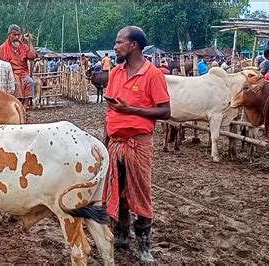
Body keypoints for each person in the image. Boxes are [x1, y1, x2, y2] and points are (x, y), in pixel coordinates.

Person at [102, 26, 171, 263]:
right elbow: (109, 110)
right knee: (117, 191)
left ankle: (144, 245)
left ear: (133, 45)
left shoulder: (153, 74)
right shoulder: (115, 73)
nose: (115, 46)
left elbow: (165, 111)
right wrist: (106, 140)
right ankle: (121, 234)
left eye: (119, 42)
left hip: (138, 144)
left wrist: (131, 110)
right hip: (116, 142)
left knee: (141, 194)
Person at [0, 24, 37, 110]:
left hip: (23, 73)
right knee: (17, 84)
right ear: (9, 35)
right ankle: (17, 105)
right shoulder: (2, 48)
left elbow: (32, 56)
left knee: (30, 82)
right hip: (11, 73)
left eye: (18, 35)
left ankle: (24, 106)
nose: (16, 37)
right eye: (14, 34)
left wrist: (29, 41)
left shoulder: (24, 46)